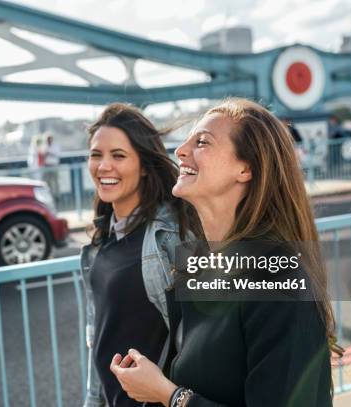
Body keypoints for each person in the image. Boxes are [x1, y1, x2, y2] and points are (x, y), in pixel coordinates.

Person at [109, 98, 342, 407]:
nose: (181, 151)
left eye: (202, 142)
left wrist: (169, 395)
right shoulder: (194, 267)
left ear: (245, 168)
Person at [81, 103, 200, 407]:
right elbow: (100, 341)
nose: (103, 166)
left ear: (145, 165)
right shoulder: (99, 244)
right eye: (96, 155)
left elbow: (198, 342)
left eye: (118, 155)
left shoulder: (171, 236)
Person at [42, 132, 61, 200]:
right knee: (47, 182)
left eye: (49, 139)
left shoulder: (55, 145)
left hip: (54, 166)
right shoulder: (44, 146)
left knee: (55, 182)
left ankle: (57, 197)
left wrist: (49, 153)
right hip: (46, 166)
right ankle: (50, 196)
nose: (48, 140)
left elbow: (57, 154)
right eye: (47, 139)